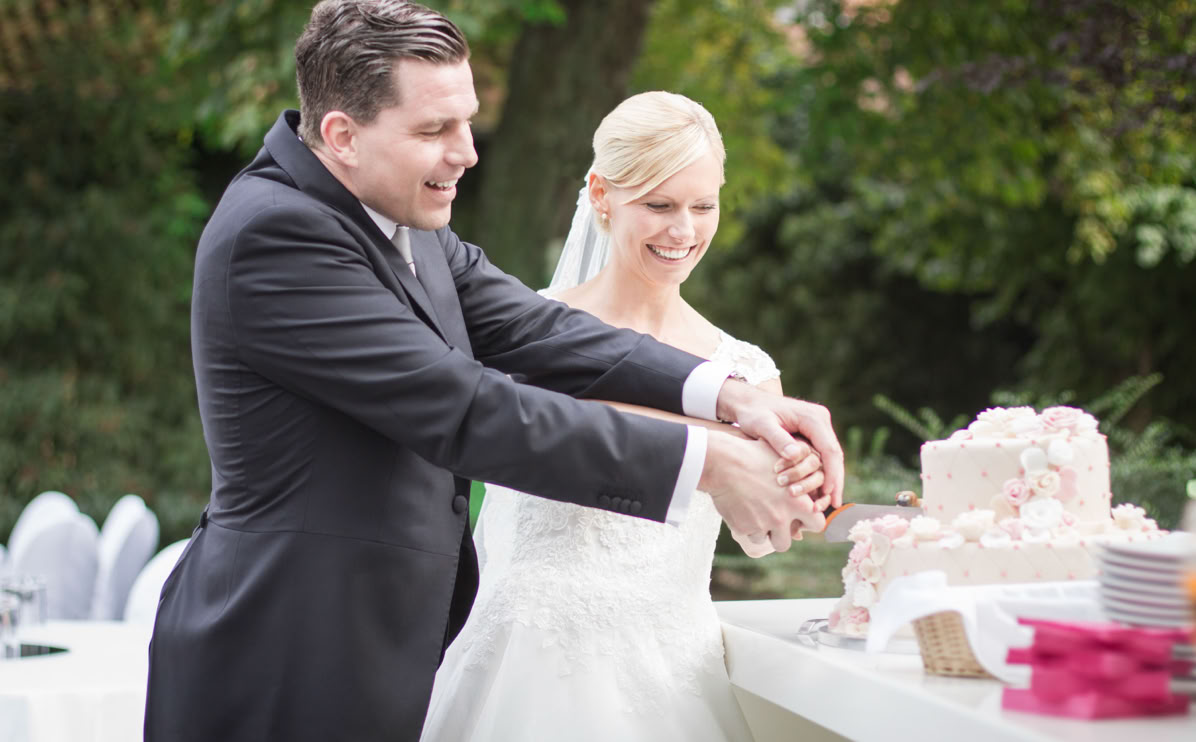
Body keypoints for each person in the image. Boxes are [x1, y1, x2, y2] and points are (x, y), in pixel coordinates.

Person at [144, 3, 843, 741]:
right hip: (286, 652)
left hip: (374, 648)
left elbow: (536, 327)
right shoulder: (277, 235)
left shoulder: (398, 213)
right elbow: (467, 411)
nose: (468, 152)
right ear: (342, 136)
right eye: (434, 130)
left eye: (468, 122)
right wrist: (711, 462)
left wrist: (730, 396)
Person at [420, 91, 808, 742]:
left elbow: (764, 536)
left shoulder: (745, 372)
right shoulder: (520, 336)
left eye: (703, 206)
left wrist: (795, 488)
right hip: (527, 659)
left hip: (674, 666)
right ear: (601, 195)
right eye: (659, 205)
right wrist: (718, 451)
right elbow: (541, 430)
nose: (683, 231)